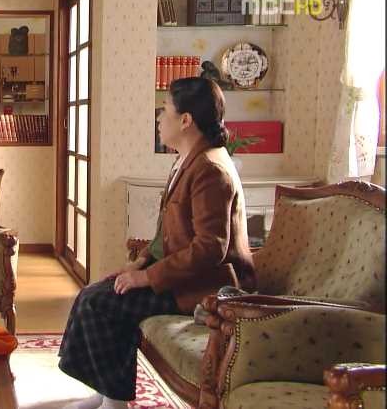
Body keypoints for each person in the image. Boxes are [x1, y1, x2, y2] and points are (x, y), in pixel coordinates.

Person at [58, 77, 256, 409]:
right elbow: (169, 233)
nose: (158, 119)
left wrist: (147, 277)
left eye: (164, 110)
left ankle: (114, 403)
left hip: (205, 289)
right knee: (95, 292)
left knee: (100, 303)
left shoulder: (210, 169)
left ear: (186, 120)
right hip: (180, 277)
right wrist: (140, 262)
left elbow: (210, 248)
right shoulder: (188, 159)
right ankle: (106, 393)